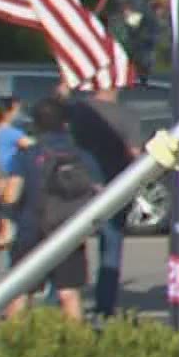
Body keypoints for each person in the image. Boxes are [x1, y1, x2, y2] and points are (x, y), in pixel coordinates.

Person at [0, 98, 100, 322]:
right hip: (68, 232)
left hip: (30, 231)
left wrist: (6, 219)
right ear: (65, 123)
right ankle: (76, 347)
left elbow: (12, 194)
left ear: (35, 124)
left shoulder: (27, 154)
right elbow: (97, 190)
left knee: (20, 292)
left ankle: (14, 342)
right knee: (69, 293)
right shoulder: (81, 155)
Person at [65, 85, 143, 316]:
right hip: (114, 188)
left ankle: (60, 299)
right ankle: (105, 305)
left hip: (76, 187)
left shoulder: (77, 111)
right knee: (111, 245)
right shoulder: (126, 116)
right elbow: (135, 153)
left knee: (67, 247)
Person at [0, 96, 33, 260]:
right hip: (13, 182)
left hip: (0, 183)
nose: (18, 113)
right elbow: (35, 147)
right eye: (16, 110)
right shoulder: (12, 133)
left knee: (8, 231)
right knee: (15, 232)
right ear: (7, 112)